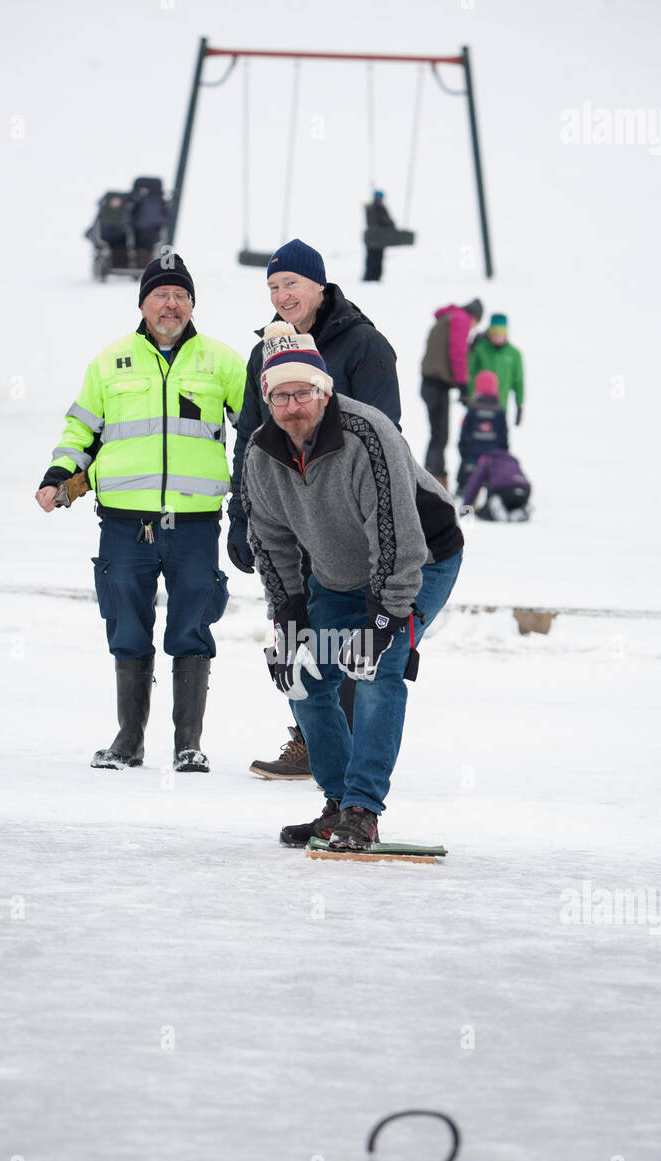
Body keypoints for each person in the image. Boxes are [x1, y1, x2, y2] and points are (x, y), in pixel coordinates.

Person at [242, 322, 463, 850]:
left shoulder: (370, 434)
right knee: (304, 674)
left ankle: (363, 809)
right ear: (267, 398)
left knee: (377, 668)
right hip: (337, 574)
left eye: (304, 392)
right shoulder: (260, 454)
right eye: (281, 395)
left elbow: (399, 540)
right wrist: (288, 617)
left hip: (421, 560)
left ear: (324, 390)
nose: (294, 405)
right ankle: (337, 803)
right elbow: (269, 542)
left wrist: (385, 622)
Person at [35, 253, 245, 773]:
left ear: (192, 304)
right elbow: (80, 433)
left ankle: (188, 743)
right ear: (143, 303)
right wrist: (58, 476)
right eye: (160, 294)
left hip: (195, 523)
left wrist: (251, 495)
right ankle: (129, 740)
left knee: (192, 625)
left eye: (180, 295)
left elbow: (257, 433)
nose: (170, 303)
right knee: (126, 623)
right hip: (125, 524)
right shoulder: (109, 362)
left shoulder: (221, 361)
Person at [227, 237, 401, 781]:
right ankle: (313, 740)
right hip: (288, 512)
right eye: (273, 286)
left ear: (319, 286)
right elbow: (249, 440)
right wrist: (241, 512)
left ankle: (345, 760)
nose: (282, 295)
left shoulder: (364, 346)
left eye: (292, 284)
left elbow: (386, 436)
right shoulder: (264, 353)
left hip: (349, 517)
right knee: (297, 630)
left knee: (352, 633)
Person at [419, 299, 483, 486]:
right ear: (475, 317)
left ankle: (433, 477)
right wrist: (463, 384)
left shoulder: (446, 318)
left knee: (437, 434)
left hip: (429, 383)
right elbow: (457, 352)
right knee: (440, 435)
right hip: (437, 385)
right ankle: (435, 480)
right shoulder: (461, 319)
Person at [457, 370, 508, 495]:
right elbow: (503, 432)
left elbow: (465, 429)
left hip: (473, 453)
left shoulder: (473, 409)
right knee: (493, 474)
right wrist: (504, 448)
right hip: (493, 454)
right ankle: (493, 488)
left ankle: (462, 487)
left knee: (467, 470)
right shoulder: (499, 410)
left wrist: (462, 444)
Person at [468, 313, 525, 422]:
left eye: (501, 332)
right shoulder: (480, 349)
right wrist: (471, 349)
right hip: (477, 406)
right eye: (494, 332)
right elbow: (468, 369)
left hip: (500, 408)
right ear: (489, 332)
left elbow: (518, 381)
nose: (497, 336)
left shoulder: (514, 354)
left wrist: (519, 404)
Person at [461, 449, 531, 522]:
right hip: (524, 489)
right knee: (513, 503)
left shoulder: (486, 459)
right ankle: (520, 509)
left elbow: (474, 484)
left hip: (502, 489)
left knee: (483, 512)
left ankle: (495, 508)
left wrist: (466, 508)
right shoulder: (512, 460)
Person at [363, 190, 395, 282]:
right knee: (372, 260)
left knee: (377, 260)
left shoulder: (380, 208)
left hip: (379, 240)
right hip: (374, 240)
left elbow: (389, 223)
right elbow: (377, 223)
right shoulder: (373, 209)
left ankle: (375, 277)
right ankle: (369, 278)